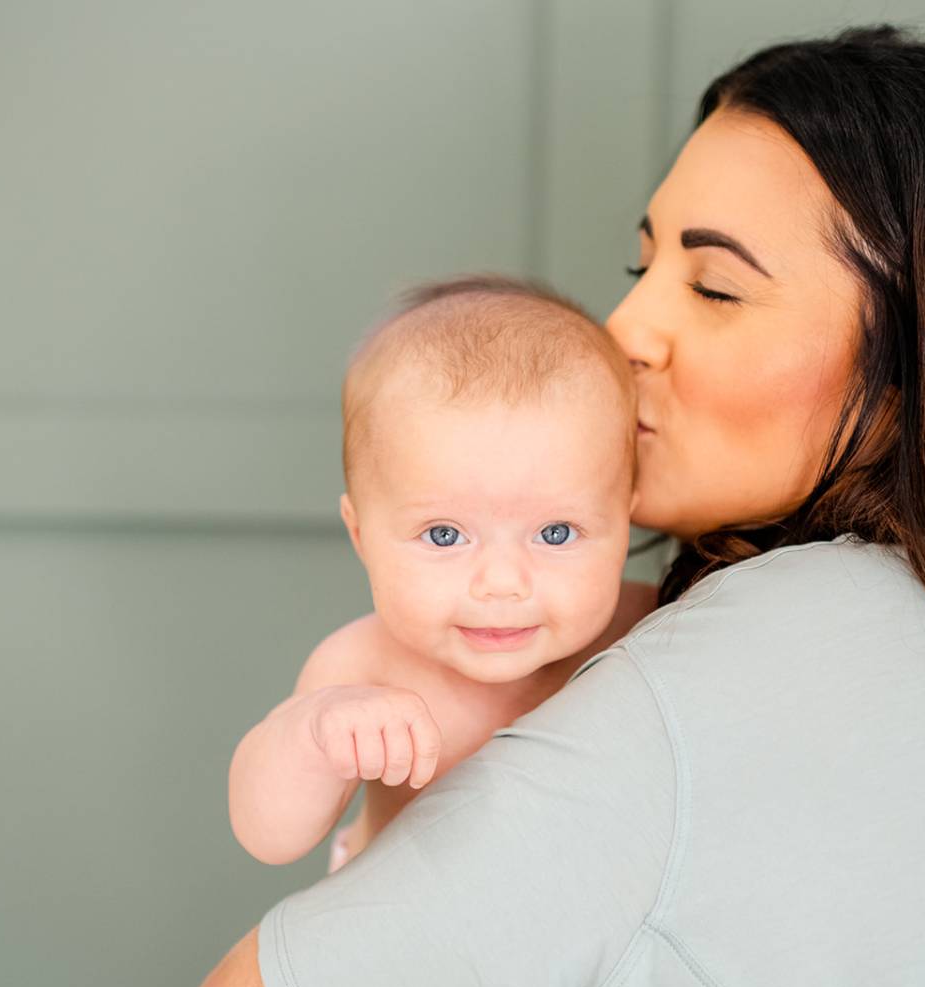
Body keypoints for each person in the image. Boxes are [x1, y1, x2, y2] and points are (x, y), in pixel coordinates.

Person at [196, 26, 925, 987]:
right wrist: (318, 740)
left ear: (914, 356)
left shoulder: (699, 658)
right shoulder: (870, 624)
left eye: (715, 287)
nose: (623, 331)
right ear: (362, 527)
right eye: (637, 271)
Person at [227, 278, 656, 874]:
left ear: (626, 516)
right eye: (444, 535)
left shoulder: (651, 632)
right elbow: (268, 835)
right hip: (399, 948)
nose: (503, 583)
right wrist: (317, 736)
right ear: (361, 535)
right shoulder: (361, 668)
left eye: (555, 533)